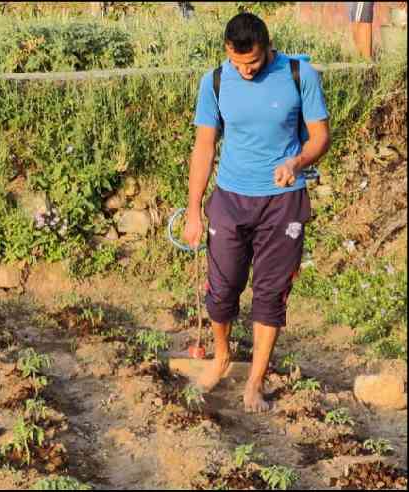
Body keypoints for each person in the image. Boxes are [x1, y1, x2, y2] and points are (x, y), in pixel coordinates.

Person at [183, 13, 331, 413]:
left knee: (270, 293)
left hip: (283, 201)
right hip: (230, 197)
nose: (244, 71)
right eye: (236, 62)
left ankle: (255, 382)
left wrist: (297, 162)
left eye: (251, 63)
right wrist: (194, 210)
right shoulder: (214, 81)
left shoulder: (300, 74)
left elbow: (320, 136)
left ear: (267, 47)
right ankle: (221, 357)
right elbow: (204, 147)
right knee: (222, 288)